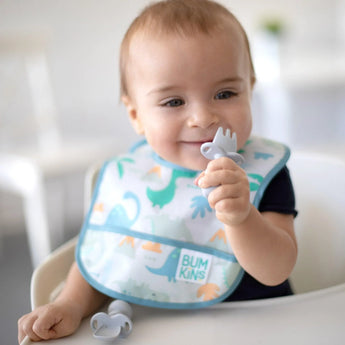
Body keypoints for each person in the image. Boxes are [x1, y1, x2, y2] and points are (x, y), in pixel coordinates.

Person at [18, 0, 298, 342]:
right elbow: (106, 255)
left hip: (262, 329)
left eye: (225, 93)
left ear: (250, 89)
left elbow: (276, 269)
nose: (203, 118)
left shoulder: (260, 173)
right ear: (135, 114)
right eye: (174, 102)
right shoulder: (131, 177)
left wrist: (241, 217)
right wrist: (70, 305)